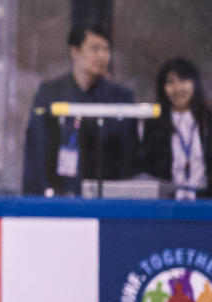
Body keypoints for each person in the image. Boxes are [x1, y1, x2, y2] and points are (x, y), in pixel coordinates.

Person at [22, 25, 140, 195]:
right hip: (60, 200)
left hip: (108, 201)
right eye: (94, 49)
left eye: (106, 49)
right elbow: (36, 153)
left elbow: (129, 158)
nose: (102, 56)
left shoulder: (120, 98)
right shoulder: (50, 93)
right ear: (75, 51)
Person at [140, 57, 212, 199]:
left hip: (207, 199)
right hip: (168, 201)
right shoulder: (154, 124)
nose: (177, 88)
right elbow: (148, 168)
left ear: (195, 84)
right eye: (170, 82)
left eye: (183, 80)